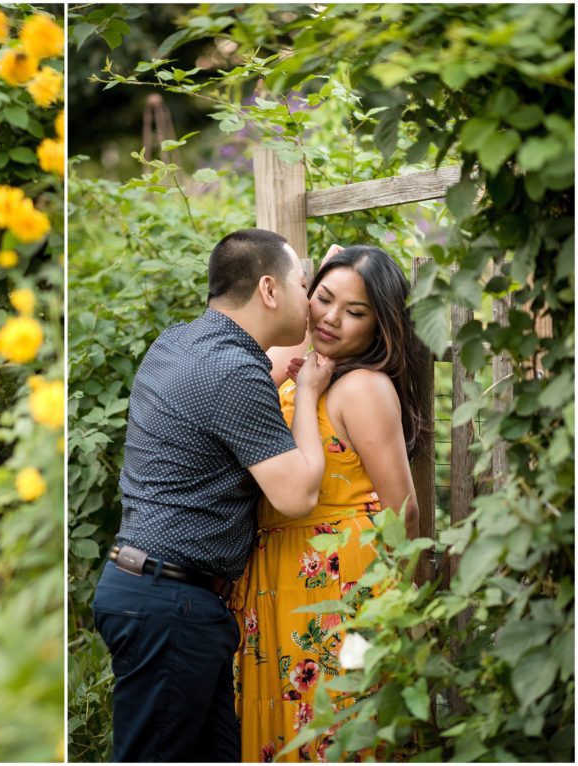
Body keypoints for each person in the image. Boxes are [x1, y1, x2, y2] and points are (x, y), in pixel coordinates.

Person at [92, 228, 336, 762]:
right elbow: (297, 494)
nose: (311, 296)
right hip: (170, 606)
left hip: (147, 591)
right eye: (305, 284)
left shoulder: (179, 344)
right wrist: (309, 395)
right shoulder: (231, 372)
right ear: (269, 291)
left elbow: (255, 374)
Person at [232, 245, 428, 762]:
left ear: (380, 326)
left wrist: (381, 616)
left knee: (334, 728)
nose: (332, 319)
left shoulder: (362, 387)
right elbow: (267, 344)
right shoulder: (300, 370)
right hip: (278, 576)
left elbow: (403, 512)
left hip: (341, 582)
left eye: (356, 312)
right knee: (285, 730)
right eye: (322, 298)